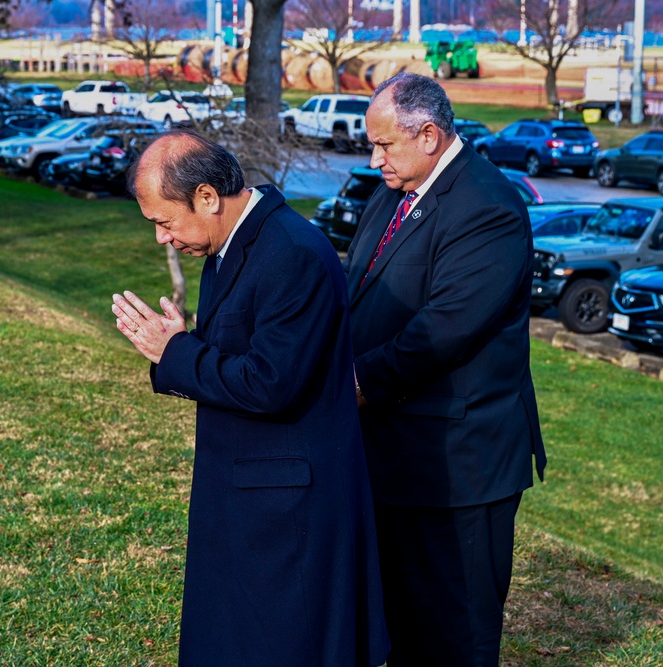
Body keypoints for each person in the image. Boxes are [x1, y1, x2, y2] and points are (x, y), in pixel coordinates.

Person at [111, 130, 388, 667]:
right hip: (247, 497)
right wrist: (179, 347)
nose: (162, 239)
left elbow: (271, 383)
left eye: (165, 223)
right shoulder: (227, 244)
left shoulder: (291, 253)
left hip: (288, 515)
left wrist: (177, 353)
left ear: (208, 197)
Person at [343, 72, 547, 667]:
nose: (373, 156)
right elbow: (359, 291)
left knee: (456, 636)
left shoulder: (489, 208)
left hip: (461, 465)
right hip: (394, 456)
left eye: (384, 144)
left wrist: (352, 385)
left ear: (428, 135)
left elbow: (442, 331)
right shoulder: (392, 191)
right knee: (402, 626)